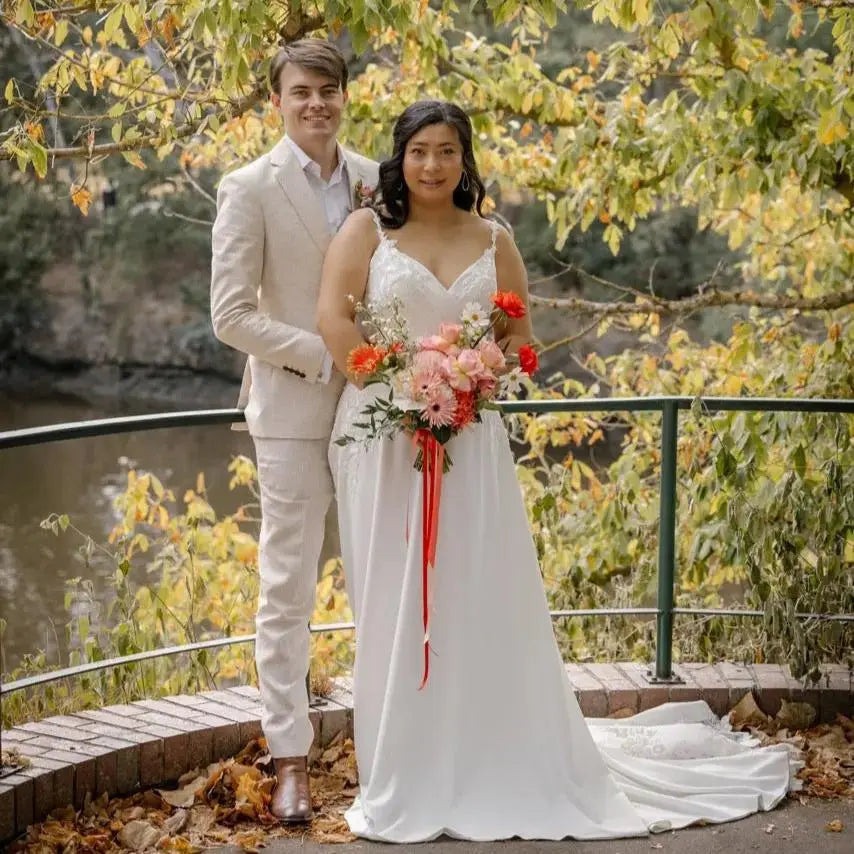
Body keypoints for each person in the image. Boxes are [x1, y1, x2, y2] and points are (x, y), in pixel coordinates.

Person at [316, 99, 797, 842]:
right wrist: (404, 389)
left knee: (477, 592)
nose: (433, 165)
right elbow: (335, 322)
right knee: (394, 595)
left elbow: (519, 334)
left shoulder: (494, 238)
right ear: (399, 157)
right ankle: (401, 766)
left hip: (470, 439)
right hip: (384, 440)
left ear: (465, 160)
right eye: (420, 151)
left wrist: (476, 375)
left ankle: (488, 752)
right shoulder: (366, 230)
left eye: (447, 151)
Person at [210, 39, 378, 823]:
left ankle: (394, 745)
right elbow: (230, 316)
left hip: (383, 408)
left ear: (346, 95)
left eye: (330, 89)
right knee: (288, 590)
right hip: (293, 411)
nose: (317, 103)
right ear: (276, 100)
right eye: (302, 90)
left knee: (389, 573)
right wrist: (326, 356)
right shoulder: (248, 188)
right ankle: (291, 760)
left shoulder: (383, 179)